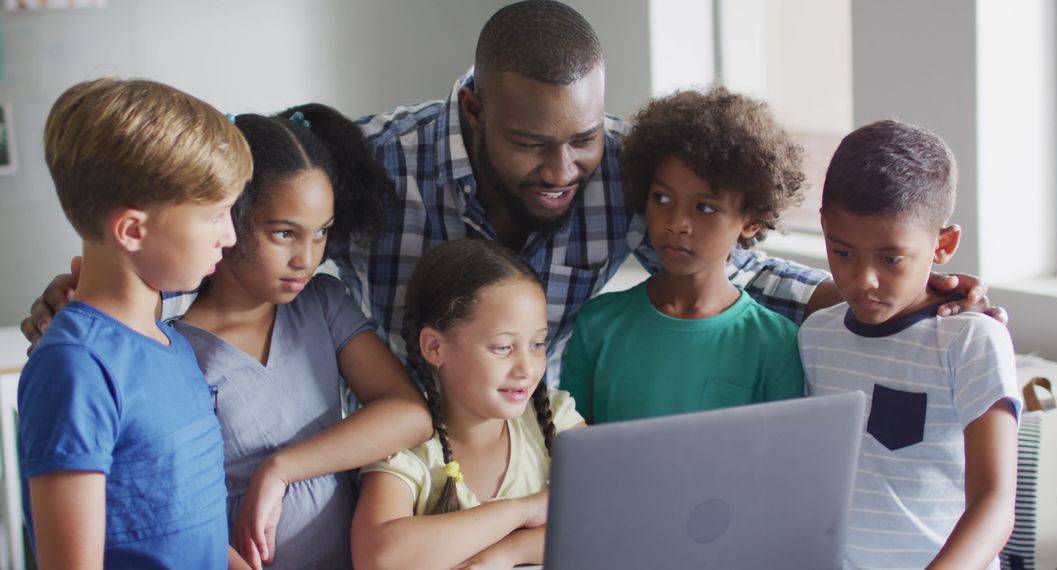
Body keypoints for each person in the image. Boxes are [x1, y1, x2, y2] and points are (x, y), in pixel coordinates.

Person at [21, 1, 998, 380]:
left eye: (581, 140)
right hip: (387, 443)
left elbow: (742, 270)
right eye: (535, 144)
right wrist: (114, 295)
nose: (563, 171)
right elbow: (240, 241)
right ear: (475, 109)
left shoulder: (623, 173)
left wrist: (899, 295)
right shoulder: (378, 160)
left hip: (532, 450)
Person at [169, 105, 432, 570]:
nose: (306, 260)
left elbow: (410, 414)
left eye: (322, 234)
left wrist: (282, 468)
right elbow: (178, 509)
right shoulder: (177, 346)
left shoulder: (324, 303)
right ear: (230, 217)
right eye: (285, 234)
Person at [17, 78, 250, 569]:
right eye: (214, 215)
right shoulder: (76, 367)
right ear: (131, 230)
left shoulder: (170, 342)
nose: (229, 236)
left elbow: (180, 520)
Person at [798, 120, 1020, 569]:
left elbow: (994, 504)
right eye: (842, 252)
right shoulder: (815, 337)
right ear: (823, 228)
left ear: (944, 244)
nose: (864, 280)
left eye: (891, 258)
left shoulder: (970, 340)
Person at [560, 87, 806, 423]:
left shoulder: (776, 344)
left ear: (751, 221)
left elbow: (780, 461)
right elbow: (568, 450)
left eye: (705, 207)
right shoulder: (599, 324)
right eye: (662, 199)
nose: (677, 224)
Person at [351, 238, 585, 570]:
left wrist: (509, 552)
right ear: (435, 347)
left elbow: (611, 513)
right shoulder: (405, 450)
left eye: (537, 344)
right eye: (503, 347)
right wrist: (524, 510)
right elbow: (379, 559)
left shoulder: (556, 419)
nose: (527, 368)